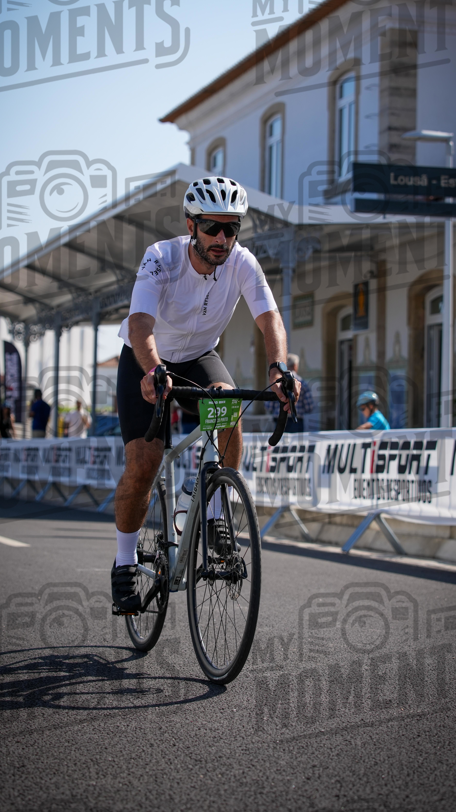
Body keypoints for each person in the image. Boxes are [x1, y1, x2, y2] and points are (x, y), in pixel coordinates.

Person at [112, 175, 301, 614]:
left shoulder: (242, 263)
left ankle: (214, 514)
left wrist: (279, 368)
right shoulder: (161, 257)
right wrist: (153, 369)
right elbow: (140, 322)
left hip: (198, 356)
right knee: (143, 463)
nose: (222, 238)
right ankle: (123, 563)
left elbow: (270, 320)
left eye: (231, 228)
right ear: (191, 225)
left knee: (229, 406)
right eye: (212, 226)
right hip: (146, 358)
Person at [264, 352, 315, 433]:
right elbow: (309, 407)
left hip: (279, 420)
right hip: (296, 421)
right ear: (295, 366)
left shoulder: (277, 383)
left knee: (279, 445)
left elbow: (269, 406)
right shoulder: (302, 383)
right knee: (296, 445)